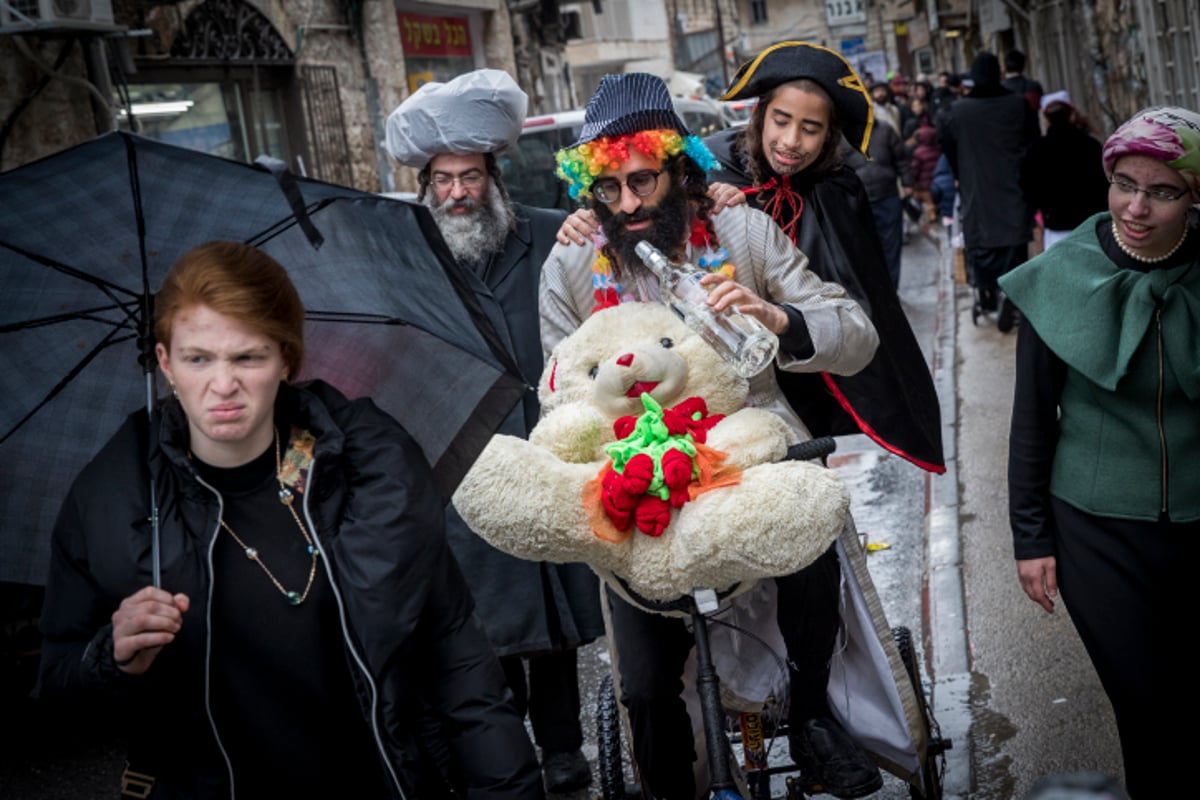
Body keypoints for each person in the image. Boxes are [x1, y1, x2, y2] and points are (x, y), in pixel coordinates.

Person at [36, 241, 546, 798]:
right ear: (165, 363)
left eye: (247, 357)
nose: (222, 384)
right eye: (198, 358)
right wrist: (109, 658)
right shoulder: (110, 499)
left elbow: (457, 662)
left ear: (286, 357)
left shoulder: (373, 474)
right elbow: (59, 692)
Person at [542, 71, 883, 800]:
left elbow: (855, 334)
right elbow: (554, 398)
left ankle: (814, 719)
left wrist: (776, 317)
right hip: (640, 483)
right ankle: (670, 779)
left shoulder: (742, 232)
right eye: (607, 189)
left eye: (643, 181)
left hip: (754, 455)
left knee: (805, 529)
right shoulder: (571, 266)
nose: (628, 205)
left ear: (681, 169)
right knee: (640, 682)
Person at [558, 41, 945, 475]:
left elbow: (859, 314)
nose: (791, 140)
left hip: (782, 392)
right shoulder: (576, 258)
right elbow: (564, 391)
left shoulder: (766, 214)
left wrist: (780, 319)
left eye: (810, 128)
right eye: (781, 120)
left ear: (681, 175)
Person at [384, 69, 602, 794]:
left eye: (469, 176)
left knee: (556, 618)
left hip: (547, 451)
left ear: (493, 176)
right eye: (442, 179)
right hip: (459, 466)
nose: (456, 193)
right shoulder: (406, 259)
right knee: (479, 628)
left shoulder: (547, 233)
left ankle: (566, 749)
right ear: (424, 184)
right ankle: (506, 753)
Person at [999, 106, 1200, 799]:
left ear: (1193, 195)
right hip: (1097, 531)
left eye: (1162, 190)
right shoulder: (1063, 276)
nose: (1137, 206)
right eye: (1123, 183)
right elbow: (1032, 421)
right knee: (1149, 709)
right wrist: (1031, 537)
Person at [942, 50, 1040, 332]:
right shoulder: (1018, 105)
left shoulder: (958, 111)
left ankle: (988, 295)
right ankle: (1012, 294)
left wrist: (961, 173)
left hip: (977, 188)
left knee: (982, 245)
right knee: (1014, 246)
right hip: (1012, 188)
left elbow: (947, 144)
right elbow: (1032, 143)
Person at [1021, 90, 1109, 250]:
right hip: (1093, 230)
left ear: (1046, 119)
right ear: (1072, 115)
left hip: (1056, 230)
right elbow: (1105, 187)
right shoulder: (1092, 146)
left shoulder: (1035, 151)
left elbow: (1029, 192)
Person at [844, 111, 913, 287]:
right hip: (858, 201)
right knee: (865, 249)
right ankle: (874, 291)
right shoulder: (843, 135)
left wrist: (907, 183)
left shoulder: (885, 130)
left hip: (887, 196)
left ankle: (892, 289)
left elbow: (902, 159)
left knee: (891, 246)